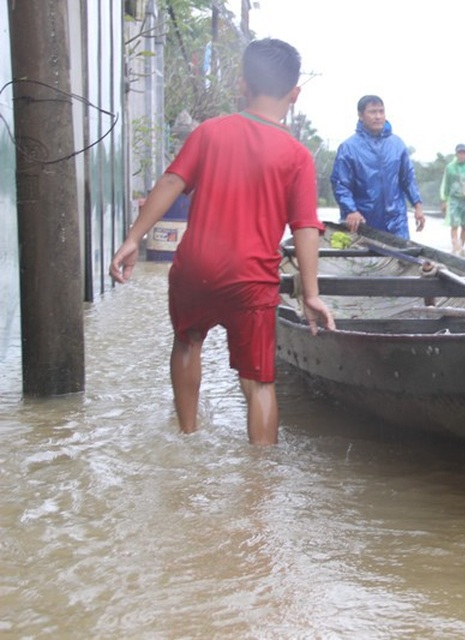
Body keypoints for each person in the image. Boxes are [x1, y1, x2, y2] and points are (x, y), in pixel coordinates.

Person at [109, 38, 336, 446]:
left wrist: (132, 238)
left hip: (195, 268)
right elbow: (305, 227)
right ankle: (259, 476)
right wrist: (311, 294)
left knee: (187, 341)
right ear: (295, 94)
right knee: (259, 382)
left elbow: (171, 182)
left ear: (242, 85)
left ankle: (187, 437)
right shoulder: (297, 155)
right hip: (251, 278)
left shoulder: (209, 132)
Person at [330, 95, 425, 238]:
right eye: (372, 112)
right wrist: (350, 210)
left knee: (401, 251)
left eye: (381, 111)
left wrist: (417, 205)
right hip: (362, 220)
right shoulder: (349, 148)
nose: (378, 116)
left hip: (396, 220)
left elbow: (408, 178)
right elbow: (340, 184)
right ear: (361, 115)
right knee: (363, 252)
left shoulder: (397, 144)